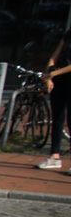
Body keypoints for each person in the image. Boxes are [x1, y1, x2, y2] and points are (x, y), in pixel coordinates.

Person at [37, 27, 71, 173]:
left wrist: (53, 74)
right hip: (60, 81)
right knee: (57, 118)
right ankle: (54, 156)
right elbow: (55, 55)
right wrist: (49, 74)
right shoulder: (69, 33)